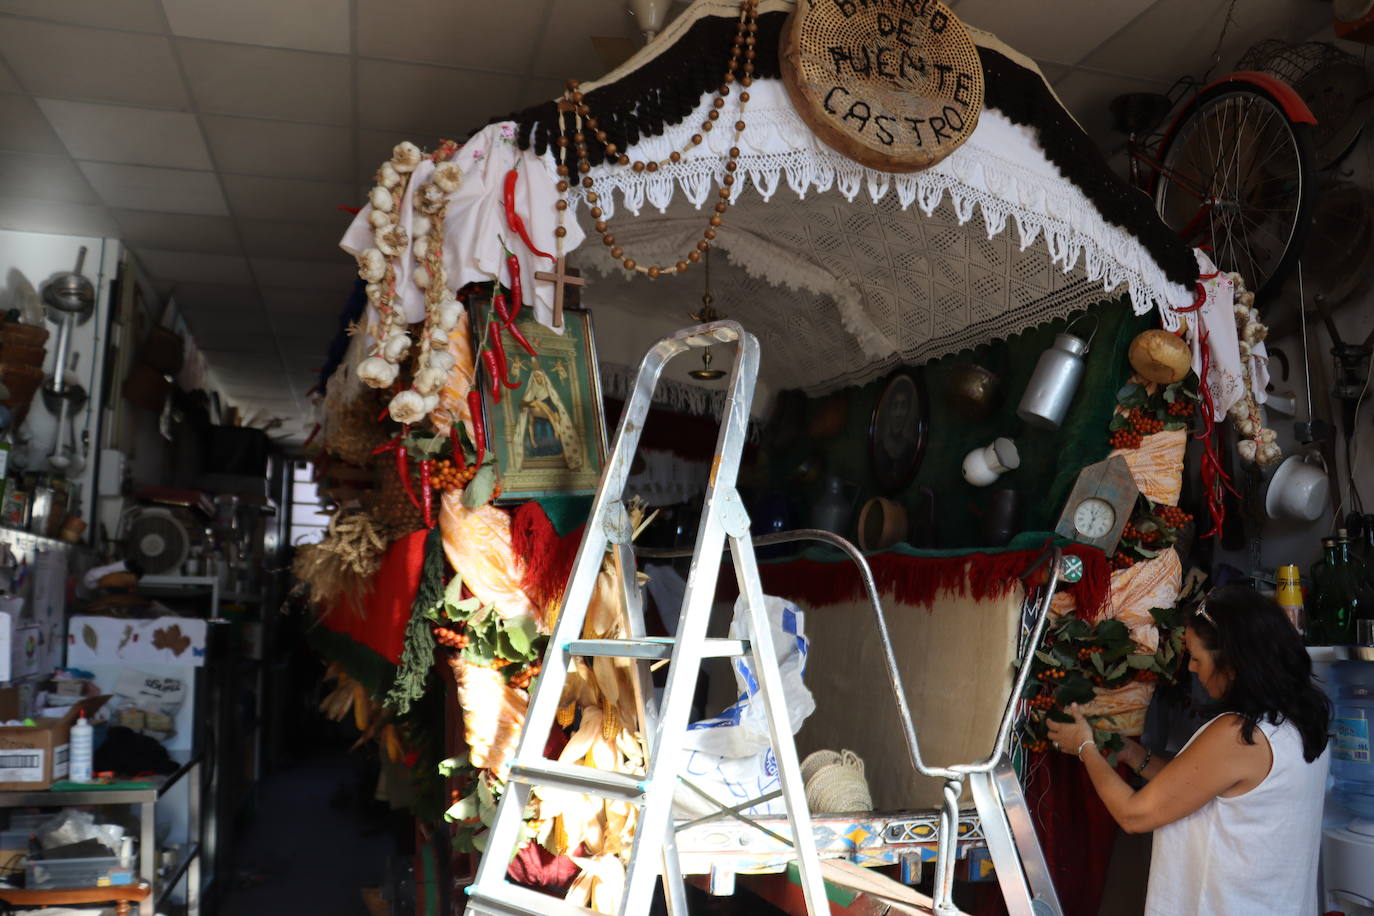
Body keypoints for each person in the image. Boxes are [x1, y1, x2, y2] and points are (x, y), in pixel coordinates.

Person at [1045, 584, 1331, 916]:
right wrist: (1133, 756)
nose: (1192, 669)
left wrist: (1084, 746)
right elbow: (1201, 786)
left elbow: (1134, 815)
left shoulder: (1239, 735)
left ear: (1233, 663)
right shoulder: (1296, 720)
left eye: (1196, 658)